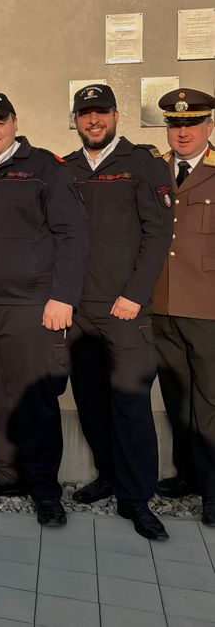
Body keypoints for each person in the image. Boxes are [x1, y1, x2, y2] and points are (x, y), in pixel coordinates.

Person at [0, 91, 86, 526]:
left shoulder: (44, 168)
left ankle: (44, 487)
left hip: (31, 304)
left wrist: (63, 297)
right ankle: (6, 473)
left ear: (13, 122)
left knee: (36, 398)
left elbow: (71, 234)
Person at [64, 84, 173, 540]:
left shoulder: (142, 165)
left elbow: (157, 234)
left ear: (115, 115)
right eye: (85, 114)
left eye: (101, 113)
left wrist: (134, 293)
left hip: (125, 309)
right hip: (79, 310)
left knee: (130, 405)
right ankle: (108, 476)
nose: (93, 121)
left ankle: (136, 499)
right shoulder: (64, 169)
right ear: (76, 119)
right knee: (90, 401)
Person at [151, 88, 215, 525]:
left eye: (191, 124)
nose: (183, 132)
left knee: (210, 400)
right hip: (161, 301)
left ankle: (213, 489)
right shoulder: (155, 170)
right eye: (175, 125)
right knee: (177, 395)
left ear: (208, 126)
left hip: (207, 304)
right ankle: (188, 474)